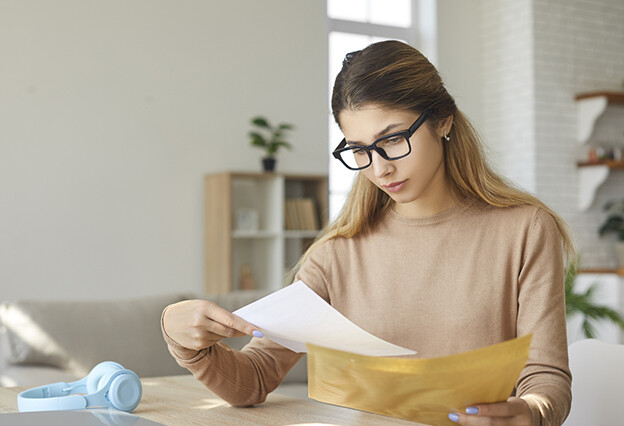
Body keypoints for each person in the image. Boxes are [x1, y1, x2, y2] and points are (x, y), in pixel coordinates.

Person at [162, 40, 574, 426]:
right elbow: (252, 379)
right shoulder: (337, 255)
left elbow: (545, 378)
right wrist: (186, 342)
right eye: (359, 149)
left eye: (392, 140)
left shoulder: (524, 230)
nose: (379, 169)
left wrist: (531, 413)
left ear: (443, 121)